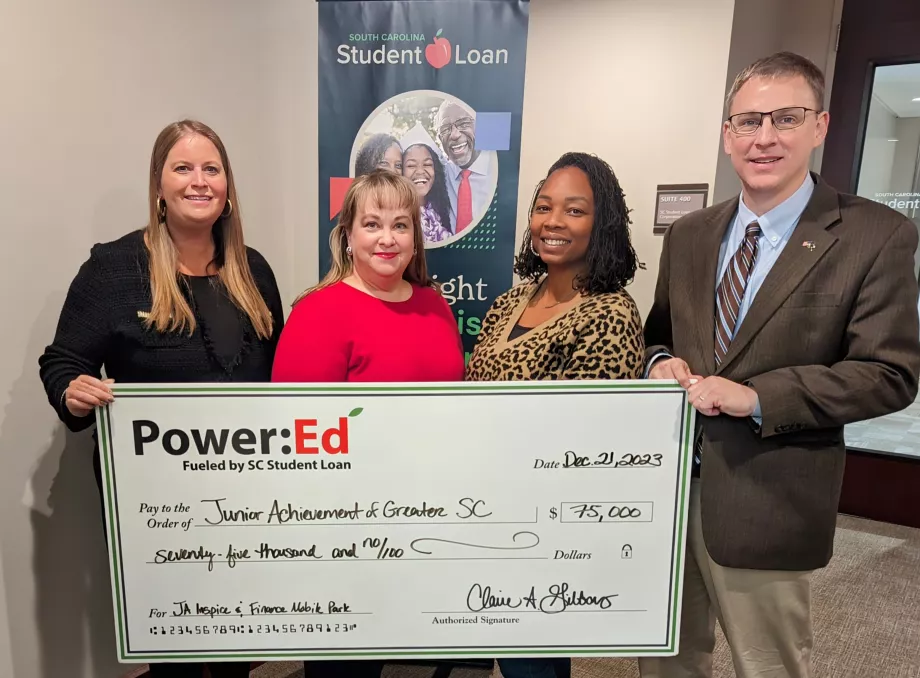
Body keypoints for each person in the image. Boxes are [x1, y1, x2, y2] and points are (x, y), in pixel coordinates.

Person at [640, 52, 920, 678]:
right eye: (747, 122)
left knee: (766, 666)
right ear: (726, 135)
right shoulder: (689, 235)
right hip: (667, 496)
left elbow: (890, 373)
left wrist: (759, 395)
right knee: (665, 661)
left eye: (785, 118)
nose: (764, 137)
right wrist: (660, 362)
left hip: (770, 498)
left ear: (819, 126)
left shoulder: (876, 236)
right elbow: (657, 336)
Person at [38, 120, 284, 678]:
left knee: (237, 644)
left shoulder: (254, 269)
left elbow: (276, 378)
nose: (199, 181)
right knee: (174, 650)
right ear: (159, 183)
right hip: (157, 504)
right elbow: (63, 361)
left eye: (211, 169)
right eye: (183, 168)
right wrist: (72, 392)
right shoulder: (115, 269)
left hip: (246, 495)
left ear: (227, 186)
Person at [271, 169, 463, 678]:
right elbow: (297, 438)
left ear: (415, 239)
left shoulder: (434, 304)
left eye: (401, 225)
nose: (387, 238)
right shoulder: (317, 313)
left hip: (430, 514)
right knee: (348, 663)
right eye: (372, 224)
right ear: (348, 236)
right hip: (348, 527)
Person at [466, 152, 645, 678]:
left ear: (602, 224)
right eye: (543, 207)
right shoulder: (511, 301)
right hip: (483, 507)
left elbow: (590, 445)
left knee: (530, 660)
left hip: (543, 527)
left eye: (574, 210)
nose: (552, 222)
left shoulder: (609, 313)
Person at [436, 99, 494, 234]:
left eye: (463, 123)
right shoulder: (439, 175)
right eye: (445, 129)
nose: (454, 135)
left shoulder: (500, 173)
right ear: (439, 138)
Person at [401, 135, 453, 243]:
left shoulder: (442, 209)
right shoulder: (397, 214)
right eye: (411, 165)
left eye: (427, 164)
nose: (420, 171)